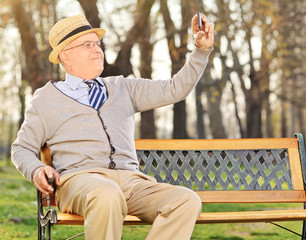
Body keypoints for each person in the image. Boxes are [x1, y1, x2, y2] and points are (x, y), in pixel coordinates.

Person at [11, 13, 213, 240]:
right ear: (65, 56)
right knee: (107, 194)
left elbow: (176, 88)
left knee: (185, 200)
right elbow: (21, 149)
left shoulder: (123, 87)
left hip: (132, 182)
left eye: (98, 44)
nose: (97, 50)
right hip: (80, 181)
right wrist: (37, 170)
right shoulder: (46, 99)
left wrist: (201, 50)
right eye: (87, 45)